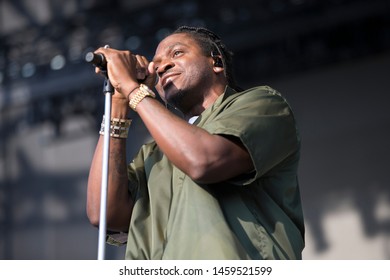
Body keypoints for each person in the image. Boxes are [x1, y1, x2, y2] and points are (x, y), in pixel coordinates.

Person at [86, 26, 305, 260]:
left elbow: (203, 161)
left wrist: (133, 90)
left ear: (216, 62)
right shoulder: (152, 154)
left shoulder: (262, 104)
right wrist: (119, 102)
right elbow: (104, 214)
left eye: (177, 53)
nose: (162, 66)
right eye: (156, 64)